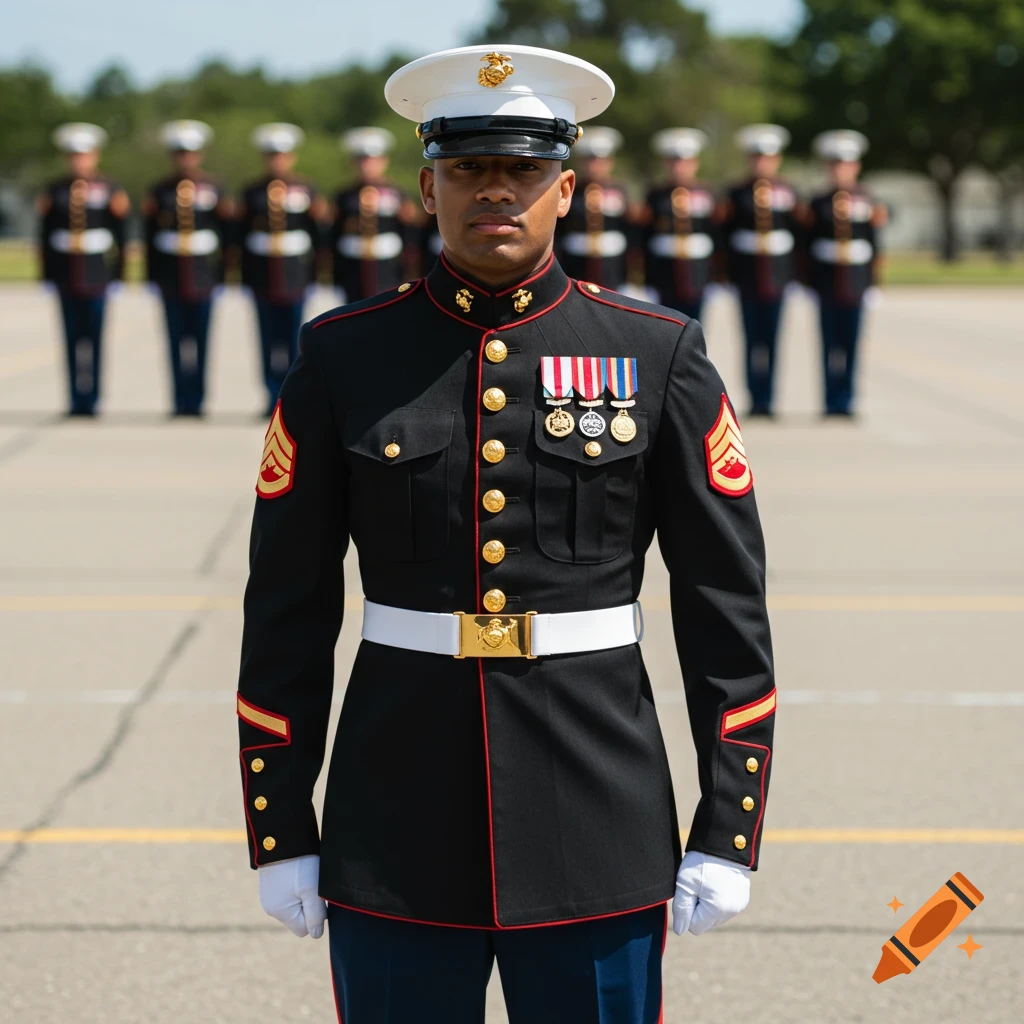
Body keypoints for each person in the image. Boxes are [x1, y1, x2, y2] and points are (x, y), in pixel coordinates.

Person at [237, 44, 775, 1024]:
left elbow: (723, 606)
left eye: (522, 170)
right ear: (425, 186)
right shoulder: (343, 354)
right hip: (394, 814)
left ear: (566, 188)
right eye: (467, 170)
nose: (496, 191)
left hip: (596, 809)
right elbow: (286, 607)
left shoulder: (656, 355)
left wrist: (727, 827)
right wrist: (281, 827)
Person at [37, 123, 129, 416]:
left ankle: (94, 399)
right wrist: (47, 275)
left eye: (85, 155)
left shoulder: (109, 188)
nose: (79, 161)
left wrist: (119, 274)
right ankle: (75, 399)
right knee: (71, 340)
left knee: (95, 339)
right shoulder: (55, 190)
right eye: (73, 156)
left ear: (95, 156)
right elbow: (45, 236)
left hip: (97, 275)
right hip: (66, 276)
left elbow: (121, 235)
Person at [142, 120, 232, 416]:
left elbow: (226, 232)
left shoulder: (213, 187)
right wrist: (151, 276)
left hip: (204, 276)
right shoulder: (160, 190)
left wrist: (224, 274)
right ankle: (179, 399)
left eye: (191, 153)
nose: (186, 158)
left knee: (202, 342)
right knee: (174, 341)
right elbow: (149, 236)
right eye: (180, 153)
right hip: (170, 277)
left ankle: (198, 400)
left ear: (200, 154)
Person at [237, 123, 325, 413]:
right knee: (266, 338)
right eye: (271, 155)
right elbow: (240, 235)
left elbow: (316, 234)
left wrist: (316, 272)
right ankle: (270, 393)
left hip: (295, 274)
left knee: (293, 338)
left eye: (282, 155)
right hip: (262, 275)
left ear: (292, 157)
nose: (277, 161)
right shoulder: (251, 191)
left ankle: (290, 394)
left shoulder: (306, 189)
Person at [802, 130, 886, 417]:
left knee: (851, 344)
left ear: (856, 167)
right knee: (828, 344)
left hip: (856, 281)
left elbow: (875, 244)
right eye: (835, 164)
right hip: (826, 282)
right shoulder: (818, 201)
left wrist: (875, 283)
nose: (840, 169)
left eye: (846, 164)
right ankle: (829, 402)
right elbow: (807, 244)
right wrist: (807, 280)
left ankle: (847, 401)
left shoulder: (868, 200)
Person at [718, 124, 797, 416]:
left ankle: (770, 398)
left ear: (777, 159)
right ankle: (754, 398)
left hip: (777, 278)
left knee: (773, 339)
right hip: (747, 277)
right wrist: (723, 274)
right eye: (757, 157)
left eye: (768, 157)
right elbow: (724, 235)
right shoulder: (737, 192)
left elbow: (798, 233)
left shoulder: (788, 190)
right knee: (750, 339)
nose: (762, 162)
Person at [329, 127, 418, 302]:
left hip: (388, 269)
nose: (366, 166)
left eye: (372, 160)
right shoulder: (344, 195)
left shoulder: (396, 193)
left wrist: (410, 270)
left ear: (384, 161)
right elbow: (334, 234)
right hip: (352, 270)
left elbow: (409, 233)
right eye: (361, 160)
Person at [640, 127, 717, 320]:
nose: (679, 167)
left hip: (698, 274)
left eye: (685, 162)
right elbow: (645, 235)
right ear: (666, 163)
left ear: (695, 163)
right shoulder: (656, 195)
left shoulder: (706, 192)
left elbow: (716, 232)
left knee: (695, 328)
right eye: (674, 161)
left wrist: (717, 275)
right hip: (664, 276)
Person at [554, 124, 631, 289]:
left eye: (601, 160)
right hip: (575, 268)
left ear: (610, 161)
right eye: (589, 159)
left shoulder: (619, 189)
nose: (595, 165)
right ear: (581, 161)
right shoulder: (571, 189)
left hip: (612, 269)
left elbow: (629, 230)